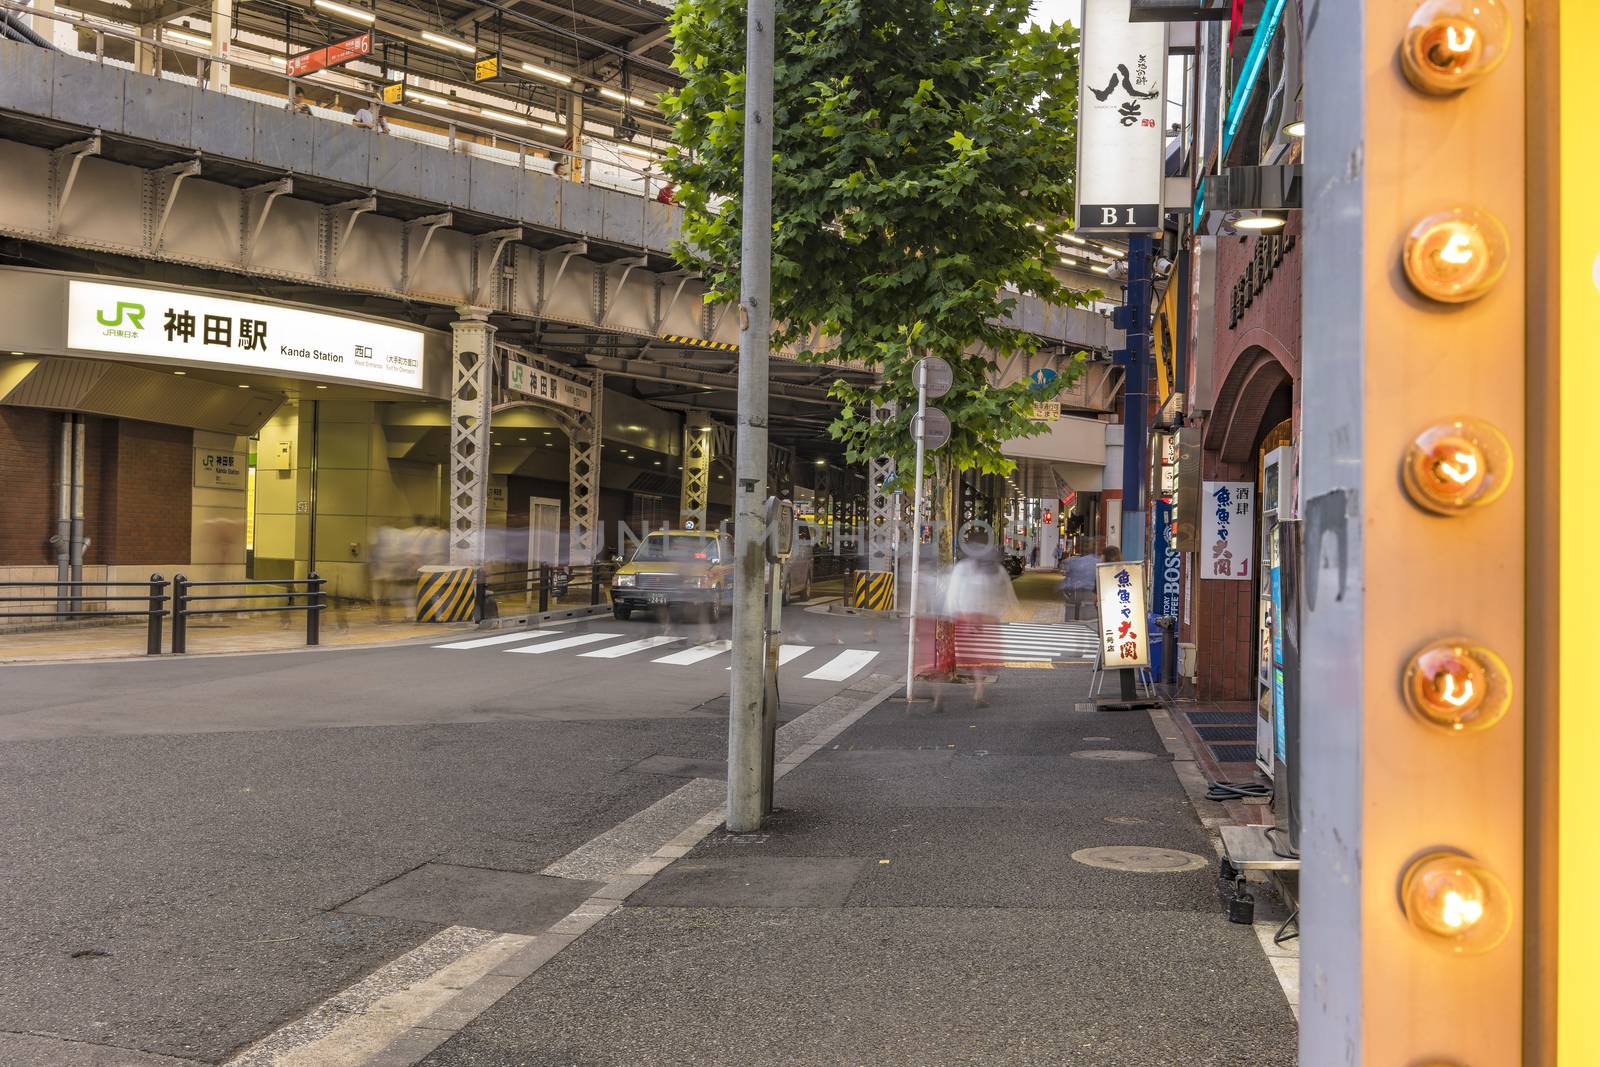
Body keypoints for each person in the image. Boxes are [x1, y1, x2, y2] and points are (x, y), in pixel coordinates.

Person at [943, 535, 1018, 707]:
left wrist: (951, 612)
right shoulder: (995, 569)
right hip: (988, 619)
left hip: (966, 618)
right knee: (983, 658)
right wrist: (1001, 611)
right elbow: (1008, 595)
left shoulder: (962, 567)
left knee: (973, 658)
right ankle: (979, 690)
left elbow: (953, 592)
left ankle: (978, 690)